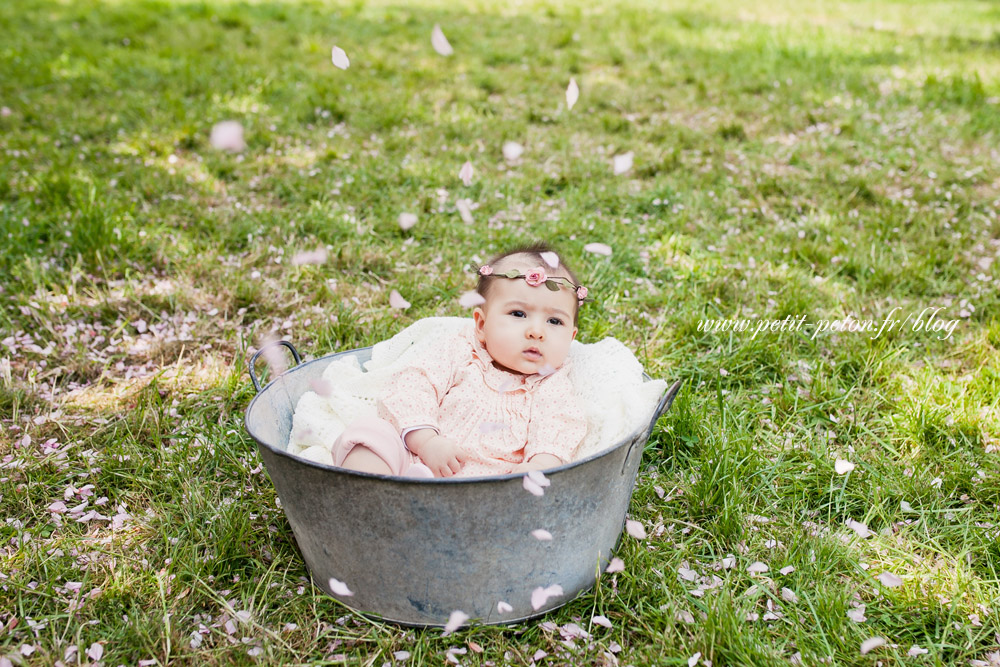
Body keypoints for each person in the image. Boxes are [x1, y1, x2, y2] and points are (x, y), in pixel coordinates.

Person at [332, 242, 589, 478]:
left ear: (571, 337)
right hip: (416, 461)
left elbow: (559, 429)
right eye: (518, 313)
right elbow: (413, 385)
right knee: (368, 434)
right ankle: (373, 495)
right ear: (481, 324)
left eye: (555, 321)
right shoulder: (461, 351)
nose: (536, 331)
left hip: (486, 484)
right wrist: (427, 441)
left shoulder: (552, 386)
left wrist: (538, 466)